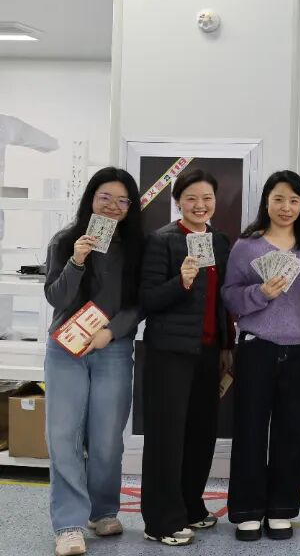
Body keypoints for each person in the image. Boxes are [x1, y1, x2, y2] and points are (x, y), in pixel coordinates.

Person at [44, 167, 144, 556]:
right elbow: (56, 298)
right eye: (105, 197)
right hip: (65, 349)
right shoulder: (65, 241)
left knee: (106, 438)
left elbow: (139, 303)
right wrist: (77, 260)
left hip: (112, 349)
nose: (113, 206)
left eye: (122, 200)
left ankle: (102, 511)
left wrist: (111, 332)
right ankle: (69, 524)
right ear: (91, 199)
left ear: (130, 207)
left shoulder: (137, 248)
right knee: (63, 436)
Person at [221, 171, 300, 541]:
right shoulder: (246, 246)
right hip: (257, 347)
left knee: (293, 431)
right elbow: (229, 294)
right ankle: (247, 511)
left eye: (294, 200)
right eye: (278, 198)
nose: (286, 207)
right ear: (266, 201)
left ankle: (282, 509)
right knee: (250, 429)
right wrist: (260, 294)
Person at [140, 169, 233, 546]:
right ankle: (161, 521)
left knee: (200, 433)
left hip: (208, 351)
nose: (200, 205)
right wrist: (181, 282)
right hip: (170, 353)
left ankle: (191, 506)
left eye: (207, 198)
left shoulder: (219, 241)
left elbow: (223, 300)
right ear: (178, 201)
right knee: (167, 437)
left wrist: (227, 346)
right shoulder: (162, 241)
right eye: (191, 198)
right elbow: (148, 299)